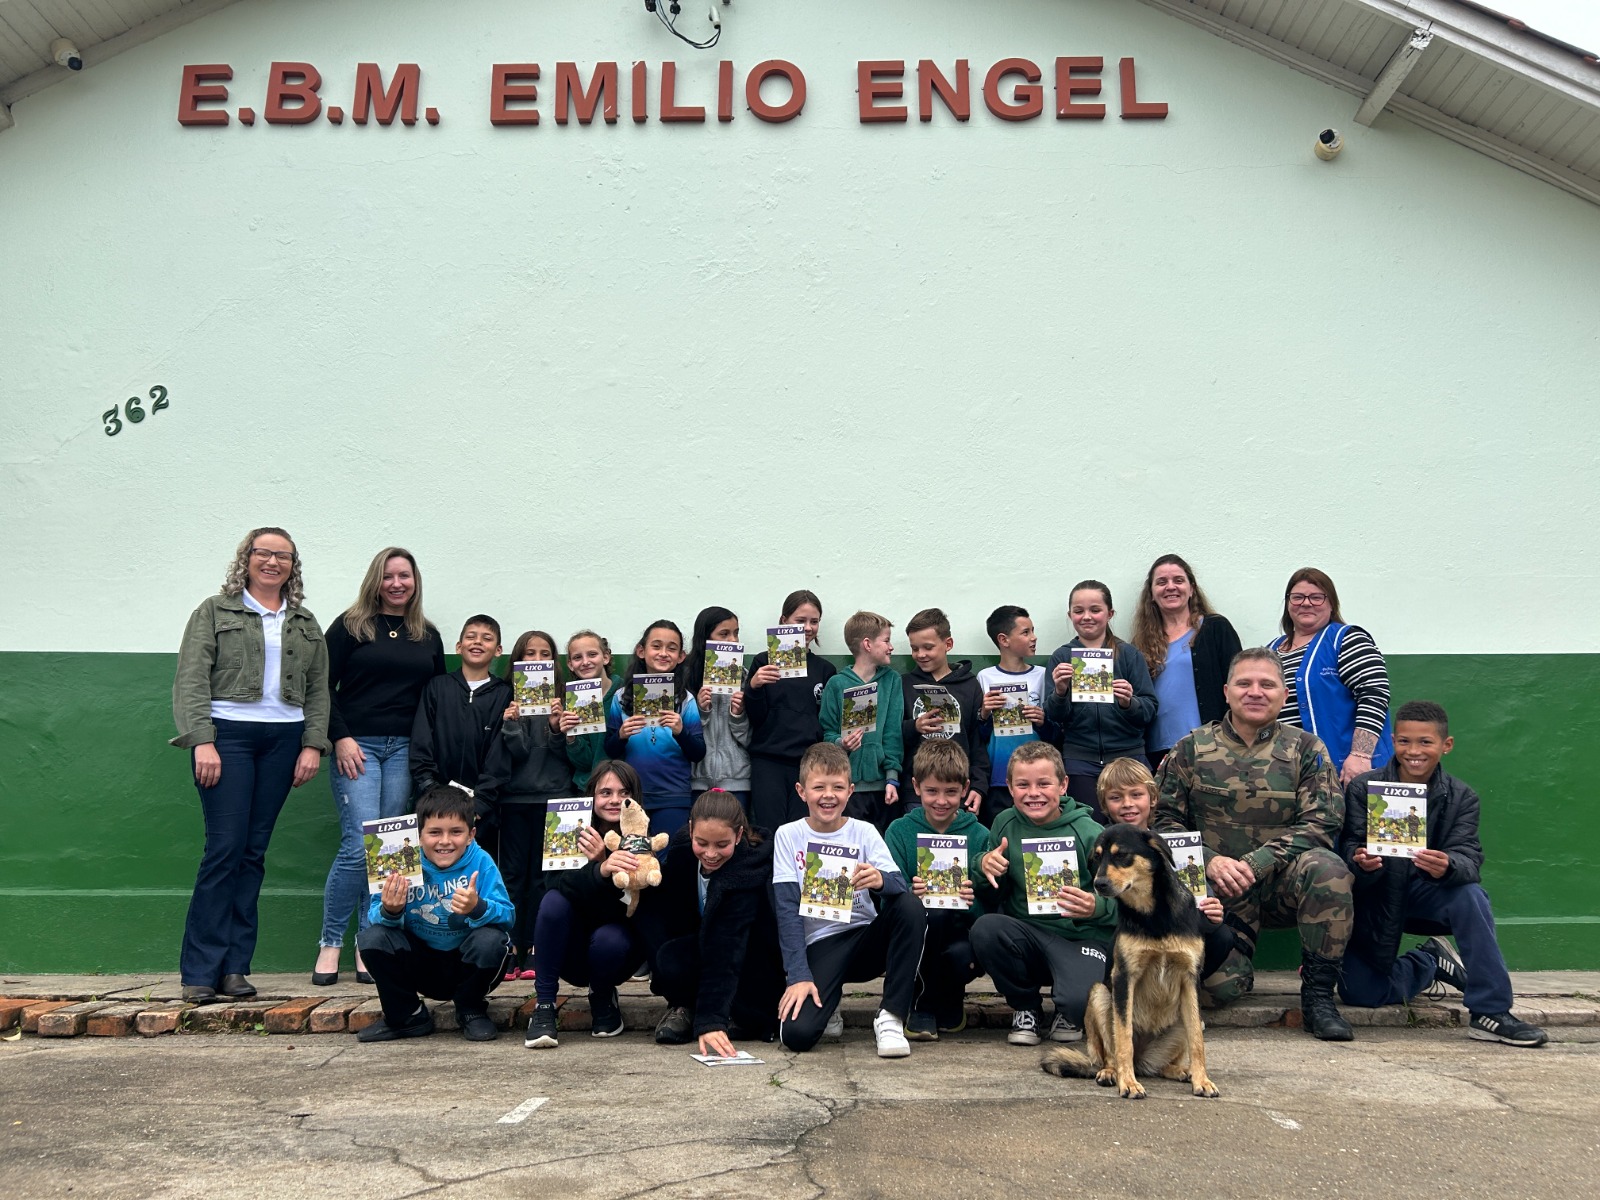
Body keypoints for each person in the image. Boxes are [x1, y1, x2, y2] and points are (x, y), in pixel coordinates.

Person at [1153, 648, 1356, 1041]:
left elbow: (1323, 822)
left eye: (1267, 684)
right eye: (1245, 683)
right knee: (1220, 990)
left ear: (1284, 695)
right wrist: (1210, 862)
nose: (1255, 692)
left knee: (1329, 870)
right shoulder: (1191, 748)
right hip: (1218, 895)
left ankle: (1317, 999)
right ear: (1227, 692)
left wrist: (1257, 862)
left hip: (1282, 884)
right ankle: (1235, 965)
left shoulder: (1306, 749)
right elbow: (1163, 823)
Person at [171, 527, 329, 1004]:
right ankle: (201, 970)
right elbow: (192, 677)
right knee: (224, 849)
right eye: (264, 553)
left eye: (283, 556)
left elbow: (320, 688)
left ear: (292, 566)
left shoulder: (304, 621)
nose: (272, 562)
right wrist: (203, 740)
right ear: (247, 559)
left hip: (283, 741)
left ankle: (236, 968)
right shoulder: (214, 611)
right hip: (228, 737)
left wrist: (311, 745)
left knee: (253, 853)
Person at [1336, 701, 1548, 1046]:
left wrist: (1448, 865)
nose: (1414, 751)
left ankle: (1490, 1012)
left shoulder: (1462, 797)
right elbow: (1348, 845)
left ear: (1445, 745)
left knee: (1471, 895)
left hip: (1426, 895)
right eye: (1404, 741)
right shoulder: (1364, 787)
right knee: (1362, 993)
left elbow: (1469, 858)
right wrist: (1360, 860)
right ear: (1393, 741)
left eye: (1425, 742)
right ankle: (1429, 961)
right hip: (1376, 900)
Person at [313, 547, 446, 987]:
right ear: (376, 579)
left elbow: (435, 700)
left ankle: (368, 943)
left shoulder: (426, 634)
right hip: (359, 747)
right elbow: (321, 685)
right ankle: (331, 943)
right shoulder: (351, 626)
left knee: (391, 850)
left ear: (415, 581)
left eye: (404, 576)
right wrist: (340, 736)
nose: (396, 584)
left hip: (405, 751)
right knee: (357, 845)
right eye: (388, 576)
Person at [773, 742, 927, 1057]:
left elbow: (898, 884)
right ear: (802, 792)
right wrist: (799, 975)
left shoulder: (865, 832)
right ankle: (829, 1004)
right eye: (819, 787)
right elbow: (787, 910)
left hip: (864, 937)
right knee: (797, 1036)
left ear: (851, 790)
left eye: (838, 787)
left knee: (910, 905)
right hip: (820, 943)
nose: (828, 795)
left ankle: (891, 1017)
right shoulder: (788, 835)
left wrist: (881, 881)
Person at [969, 741, 1114, 1046]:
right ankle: (1025, 1007)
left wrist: (1096, 906)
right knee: (986, 929)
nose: (1033, 793)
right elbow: (990, 891)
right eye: (1023, 784)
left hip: (1080, 938)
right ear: (1009, 787)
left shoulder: (1089, 832)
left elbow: (1123, 898)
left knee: (1078, 1004)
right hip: (1029, 934)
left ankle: (1068, 1010)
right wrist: (984, 867)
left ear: (1063, 785)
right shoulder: (1003, 823)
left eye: (1043, 784)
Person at [355, 784, 514, 1043]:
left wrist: (479, 907)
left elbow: (508, 916)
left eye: (456, 832)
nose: (445, 841)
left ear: (471, 834)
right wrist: (391, 910)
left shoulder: (481, 861)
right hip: (420, 964)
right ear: (418, 835)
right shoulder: (398, 860)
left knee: (493, 941)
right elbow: (375, 915)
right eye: (434, 832)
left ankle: (470, 1009)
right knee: (372, 938)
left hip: (465, 963)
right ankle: (407, 1016)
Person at [636, 789, 784, 1055]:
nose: (711, 854)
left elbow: (726, 947)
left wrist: (711, 1021)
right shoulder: (682, 853)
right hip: (702, 945)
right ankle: (683, 1005)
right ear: (691, 830)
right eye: (702, 843)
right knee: (652, 912)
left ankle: (737, 1015)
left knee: (742, 984)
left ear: (739, 836)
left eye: (721, 845)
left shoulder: (748, 870)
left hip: (749, 963)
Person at [524, 761, 650, 1048]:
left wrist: (603, 862)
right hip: (570, 947)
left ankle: (603, 995)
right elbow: (552, 887)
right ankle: (544, 1005)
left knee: (610, 938)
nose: (615, 800)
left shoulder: (643, 832)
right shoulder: (571, 827)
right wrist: (598, 869)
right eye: (605, 792)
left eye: (624, 792)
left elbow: (633, 907)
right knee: (553, 902)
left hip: (616, 949)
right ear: (591, 795)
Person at [1097, 756, 1235, 981]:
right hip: (1121, 935)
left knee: (1221, 936)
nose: (1127, 804)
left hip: (1170, 932)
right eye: (1115, 797)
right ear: (1104, 805)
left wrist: (1212, 910)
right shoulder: (1098, 844)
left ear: (1152, 799)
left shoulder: (1176, 842)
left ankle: (1176, 993)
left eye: (1136, 794)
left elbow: (1200, 899)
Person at [884, 742, 988, 1039]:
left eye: (951, 792)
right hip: (916, 937)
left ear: (965, 789)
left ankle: (949, 996)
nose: (941, 801)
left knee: (959, 949)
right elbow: (885, 897)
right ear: (915, 787)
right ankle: (921, 1002)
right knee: (930, 911)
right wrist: (908, 894)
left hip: (960, 935)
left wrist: (973, 898)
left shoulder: (980, 835)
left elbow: (993, 904)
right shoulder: (899, 832)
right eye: (932, 791)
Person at [1042, 581, 1158, 819]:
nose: (1087, 617)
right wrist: (1060, 692)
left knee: (1131, 829)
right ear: (1070, 615)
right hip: (1079, 760)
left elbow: (1150, 709)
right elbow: (1053, 716)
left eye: (1095, 609)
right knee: (1089, 830)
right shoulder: (1062, 657)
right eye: (1078, 611)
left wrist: (1129, 702)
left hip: (1128, 755)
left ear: (1110, 613)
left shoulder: (1128, 654)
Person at [1268, 567, 1394, 784]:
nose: (1306, 603)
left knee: (1376, 819)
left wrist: (1360, 756)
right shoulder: (1271, 650)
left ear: (1331, 603)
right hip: (1291, 776)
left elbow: (1375, 694)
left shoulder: (1347, 640)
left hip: (1349, 771)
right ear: (1288, 603)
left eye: (1316, 597)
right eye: (1297, 597)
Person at [497, 629, 574, 981]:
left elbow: (568, 756)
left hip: (556, 800)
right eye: (530, 653)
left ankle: (538, 946)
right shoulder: (507, 698)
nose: (537, 659)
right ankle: (512, 946)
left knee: (548, 877)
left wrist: (558, 728)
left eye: (545, 653)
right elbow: (517, 755)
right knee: (513, 876)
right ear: (517, 660)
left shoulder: (564, 697)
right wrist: (512, 725)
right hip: (515, 799)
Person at [409, 615, 513, 850]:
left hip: (480, 812)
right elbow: (421, 743)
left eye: (486, 638)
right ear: (458, 647)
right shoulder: (437, 687)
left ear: (498, 650)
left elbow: (500, 757)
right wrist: (432, 792)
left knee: (473, 874)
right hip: (433, 803)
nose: (477, 642)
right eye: (470, 637)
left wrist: (480, 804)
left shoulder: (504, 695)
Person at [1129, 554, 1242, 768]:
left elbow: (1239, 685)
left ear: (1191, 589)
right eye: (1161, 582)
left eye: (1178, 580)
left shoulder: (1215, 628)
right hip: (1158, 750)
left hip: (1212, 746)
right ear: (1151, 594)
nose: (1170, 587)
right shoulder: (1140, 644)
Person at [605, 619, 707, 837]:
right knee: (636, 863)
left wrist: (681, 732)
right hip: (632, 796)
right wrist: (621, 735)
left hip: (674, 795)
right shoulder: (621, 697)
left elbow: (698, 752)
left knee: (669, 861)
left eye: (672, 648)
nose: (663, 653)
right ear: (641, 651)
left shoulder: (686, 700)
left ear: (681, 656)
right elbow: (610, 750)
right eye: (656, 646)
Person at [745, 589, 836, 832]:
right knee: (769, 833)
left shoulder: (825, 670)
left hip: (808, 765)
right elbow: (755, 717)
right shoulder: (763, 662)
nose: (808, 627)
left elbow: (827, 722)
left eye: (814, 621)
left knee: (803, 833)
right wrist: (753, 687)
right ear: (783, 621)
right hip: (768, 762)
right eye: (800, 620)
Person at [820, 611, 906, 833]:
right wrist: (842, 743)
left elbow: (893, 733)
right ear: (867, 644)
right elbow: (826, 733)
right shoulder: (836, 684)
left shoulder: (891, 681)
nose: (891, 647)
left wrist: (892, 778)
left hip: (883, 788)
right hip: (846, 788)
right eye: (886, 640)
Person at [899, 608, 990, 815]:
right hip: (916, 794)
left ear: (948, 644)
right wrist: (914, 727)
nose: (920, 654)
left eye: (928, 647)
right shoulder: (904, 684)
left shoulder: (970, 685)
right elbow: (891, 734)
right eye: (914, 648)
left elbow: (977, 741)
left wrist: (978, 785)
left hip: (958, 791)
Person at [977, 605, 1051, 825]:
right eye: (1025, 632)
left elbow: (1055, 728)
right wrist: (984, 713)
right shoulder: (985, 677)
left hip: (1037, 774)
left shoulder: (1042, 675)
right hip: (999, 776)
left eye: (1033, 631)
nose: (1034, 638)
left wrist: (1041, 721)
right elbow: (979, 733)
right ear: (1004, 639)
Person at [683, 606, 752, 809]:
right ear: (705, 638)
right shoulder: (688, 678)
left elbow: (752, 738)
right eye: (724, 634)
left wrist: (738, 716)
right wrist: (700, 711)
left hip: (737, 779)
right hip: (696, 780)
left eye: (736, 633)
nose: (733, 640)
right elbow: (680, 736)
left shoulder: (745, 678)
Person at [557, 629, 611, 793]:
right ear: (570, 665)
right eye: (577, 657)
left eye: (592, 654)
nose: (585, 662)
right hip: (587, 787)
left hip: (624, 786)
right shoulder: (571, 704)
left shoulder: (625, 694)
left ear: (606, 657)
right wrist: (571, 738)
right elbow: (584, 762)